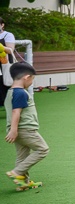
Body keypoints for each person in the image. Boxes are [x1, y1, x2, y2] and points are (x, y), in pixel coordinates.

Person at [4, 62, 48, 190]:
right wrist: (14, 130)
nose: (32, 82)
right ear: (26, 77)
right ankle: (17, 173)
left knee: (22, 156)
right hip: (25, 129)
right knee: (43, 149)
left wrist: (13, 130)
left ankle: (23, 183)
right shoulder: (20, 93)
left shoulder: (11, 92)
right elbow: (16, 112)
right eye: (32, 79)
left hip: (17, 130)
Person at [0, 16, 18, 105]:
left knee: (6, 86)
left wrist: (1, 47)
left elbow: (10, 50)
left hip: (5, 65)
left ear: (2, 25)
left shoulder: (8, 35)